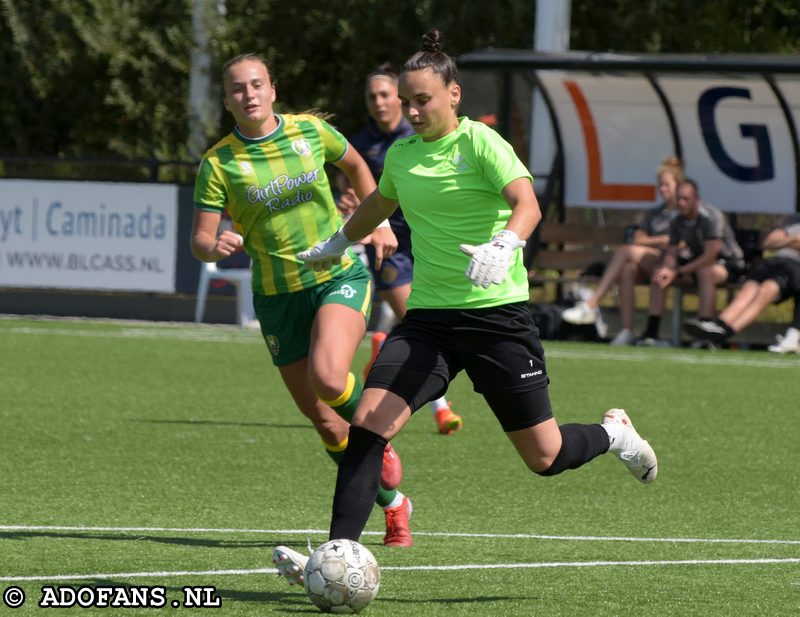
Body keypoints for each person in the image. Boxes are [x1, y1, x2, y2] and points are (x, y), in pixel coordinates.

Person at [272, 29, 657, 586]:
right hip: (429, 322)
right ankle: (337, 557)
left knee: (545, 457)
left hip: (498, 319)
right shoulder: (403, 154)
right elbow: (379, 203)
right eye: (406, 101)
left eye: (422, 100)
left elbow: (526, 202)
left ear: (453, 94)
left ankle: (614, 434)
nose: (411, 111)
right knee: (367, 427)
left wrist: (506, 244)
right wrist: (337, 242)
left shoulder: (481, 143)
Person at [190, 52, 414, 548]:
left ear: (272, 90)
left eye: (256, 84)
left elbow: (357, 166)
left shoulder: (310, 132)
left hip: (336, 275)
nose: (248, 94)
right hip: (276, 298)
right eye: (236, 89)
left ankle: (379, 437)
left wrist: (376, 221)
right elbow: (200, 240)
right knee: (326, 422)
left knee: (330, 377)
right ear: (227, 100)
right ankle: (393, 506)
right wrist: (216, 243)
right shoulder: (219, 163)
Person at [343, 63, 463, 435]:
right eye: (372, 97)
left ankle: (381, 355)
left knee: (425, 321)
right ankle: (440, 409)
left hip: (428, 244)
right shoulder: (361, 144)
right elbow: (349, 194)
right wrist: (348, 206)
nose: (379, 103)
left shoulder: (420, 135)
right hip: (388, 246)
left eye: (386, 95)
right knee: (416, 318)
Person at [561, 157, 684, 345]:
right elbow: (639, 239)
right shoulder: (655, 213)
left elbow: (680, 243)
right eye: (660, 185)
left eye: (667, 185)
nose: (663, 189)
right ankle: (627, 330)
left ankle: (593, 303)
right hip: (650, 262)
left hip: (675, 265)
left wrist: (657, 243)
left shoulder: (684, 211)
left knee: (626, 251)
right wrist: (662, 240)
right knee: (627, 268)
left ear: (678, 184)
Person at [644, 179, 744, 345]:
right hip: (697, 264)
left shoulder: (711, 216)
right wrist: (668, 269)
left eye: (686, 199)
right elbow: (672, 252)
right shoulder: (677, 219)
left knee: (705, 272)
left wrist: (678, 271)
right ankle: (651, 333)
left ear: (696, 199)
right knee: (660, 273)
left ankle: (705, 332)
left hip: (728, 263)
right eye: (679, 199)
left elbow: (710, 257)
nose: (681, 203)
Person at [683, 213, 800, 349]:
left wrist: (785, 240)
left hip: (795, 269)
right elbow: (768, 242)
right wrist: (793, 240)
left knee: (766, 291)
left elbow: (779, 240)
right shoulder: (794, 219)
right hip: (776, 262)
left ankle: (725, 334)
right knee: (746, 291)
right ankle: (718, 326)